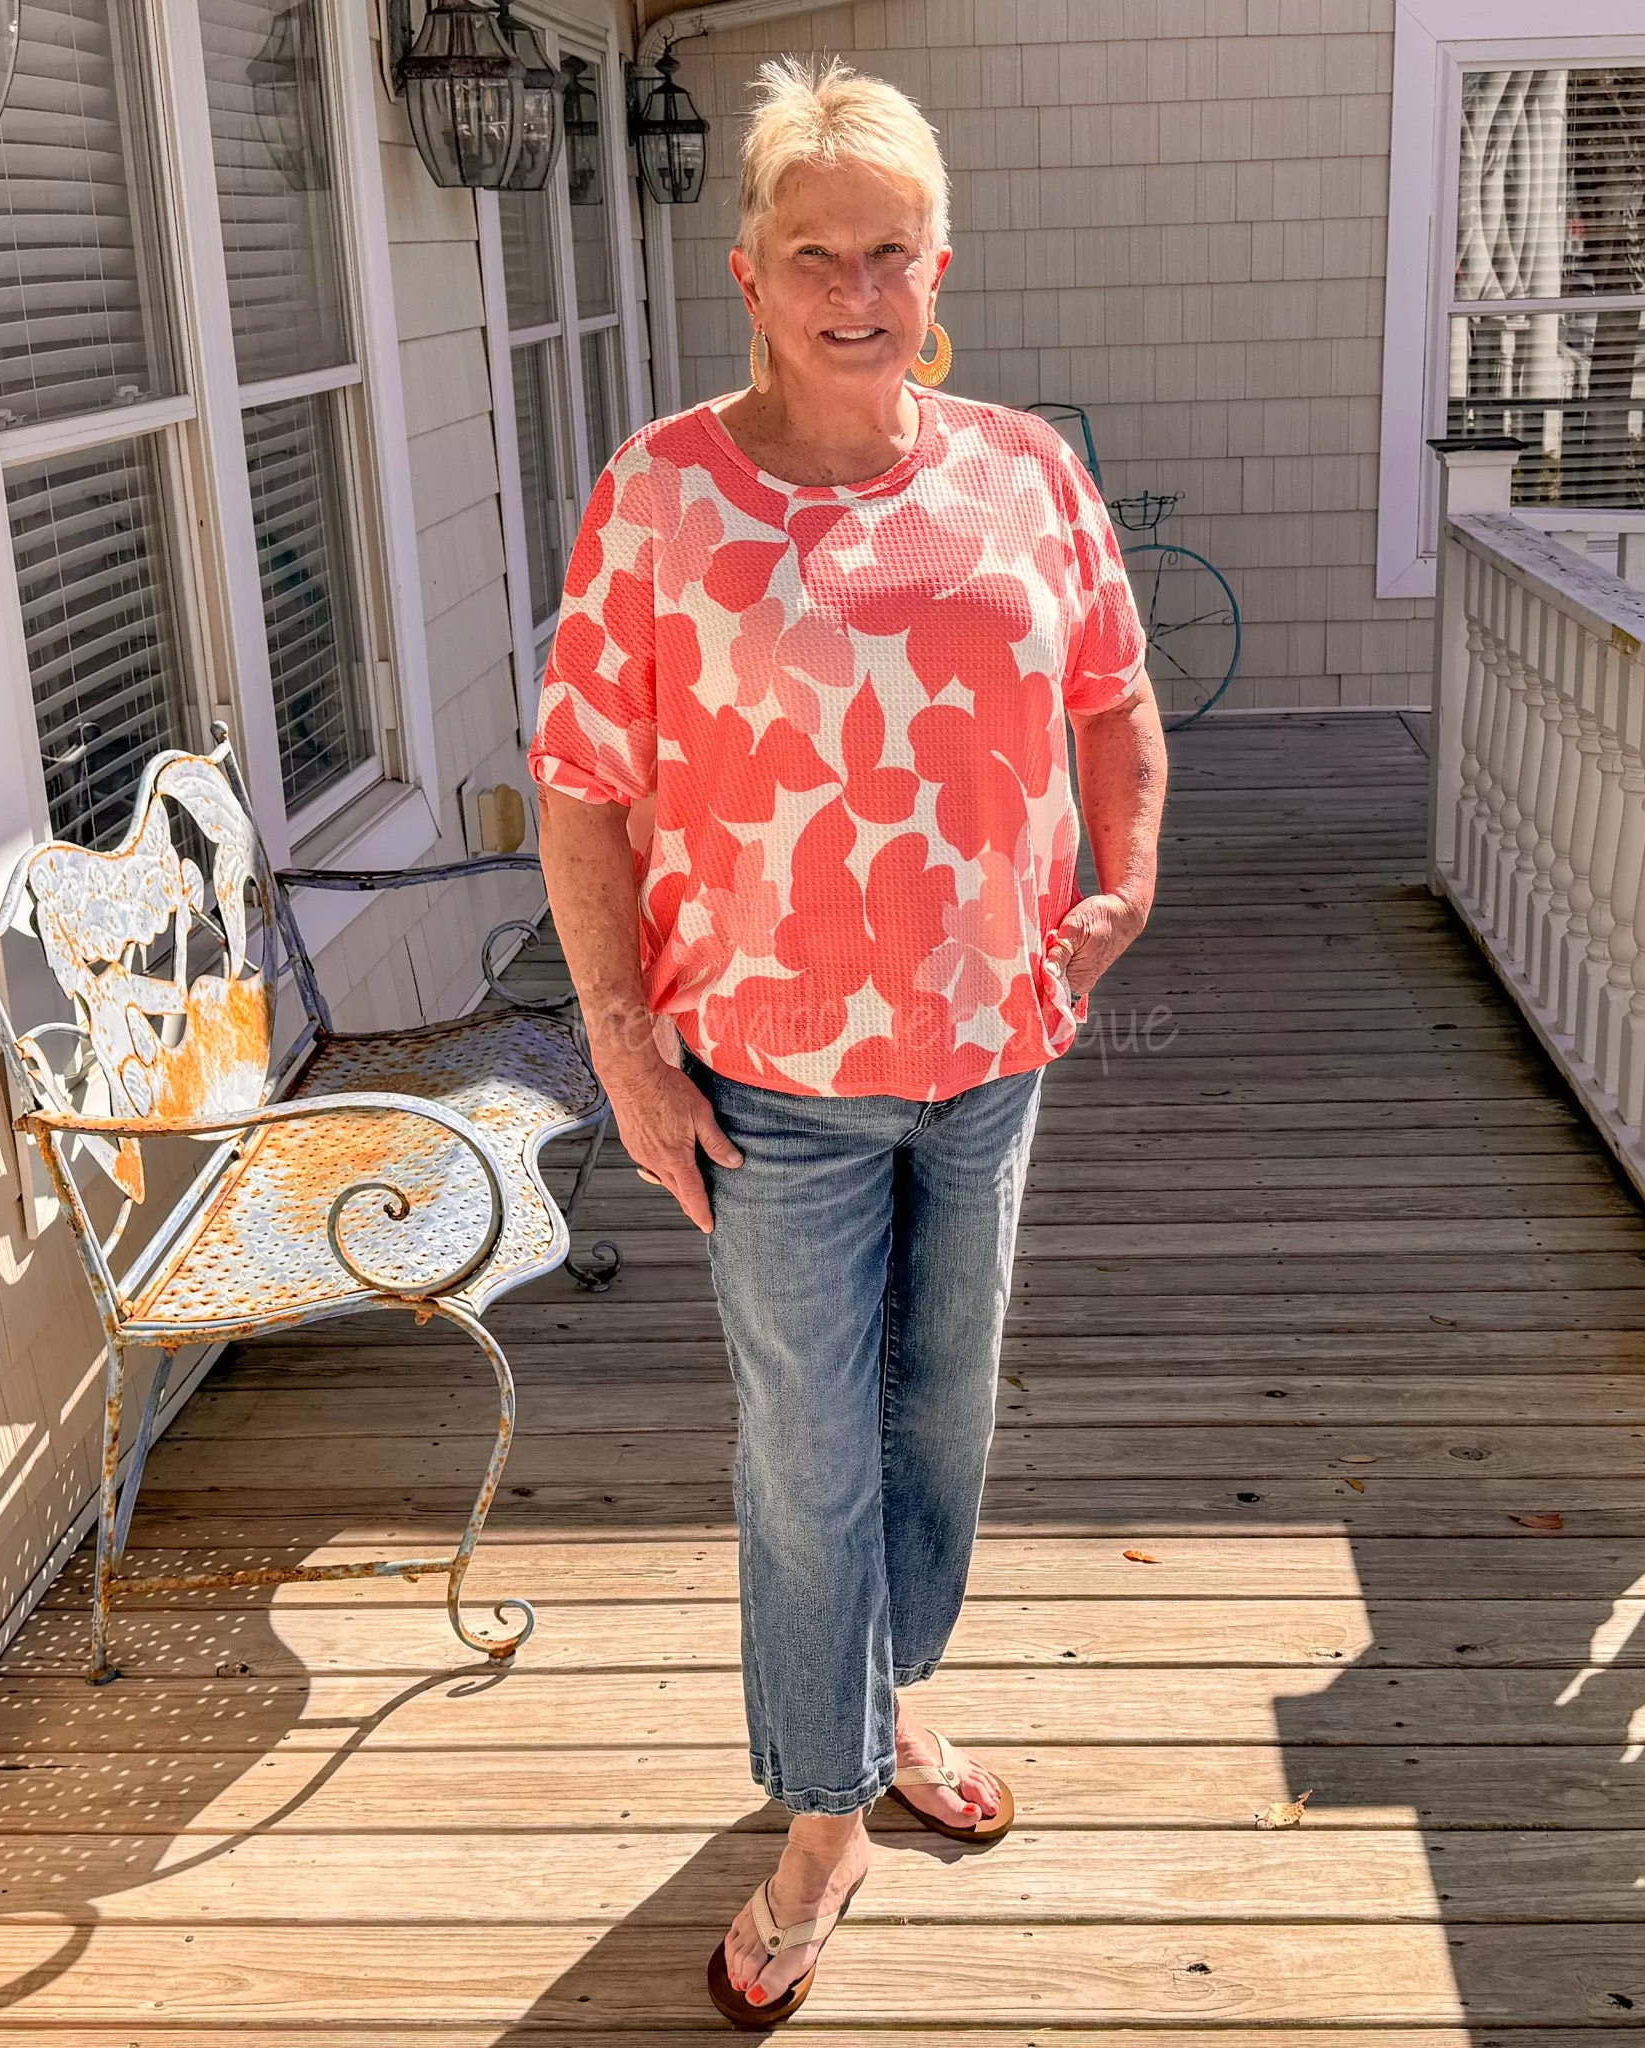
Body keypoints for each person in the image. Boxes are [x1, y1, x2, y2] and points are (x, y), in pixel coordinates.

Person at [532, 56, 1167, 2028]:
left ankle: (881, 1699)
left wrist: (1119, 882)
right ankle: (820, 1821)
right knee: (807, 1459)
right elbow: (578, 783)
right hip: (768, 1084)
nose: (854, 289)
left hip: (988, 1053)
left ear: (936, 265)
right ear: (750, 270)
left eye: (887, 251)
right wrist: (623, 1047)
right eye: (815, 253)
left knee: (933, 1429)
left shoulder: (1022, 470)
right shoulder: (657, 493)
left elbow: (1116, 703)